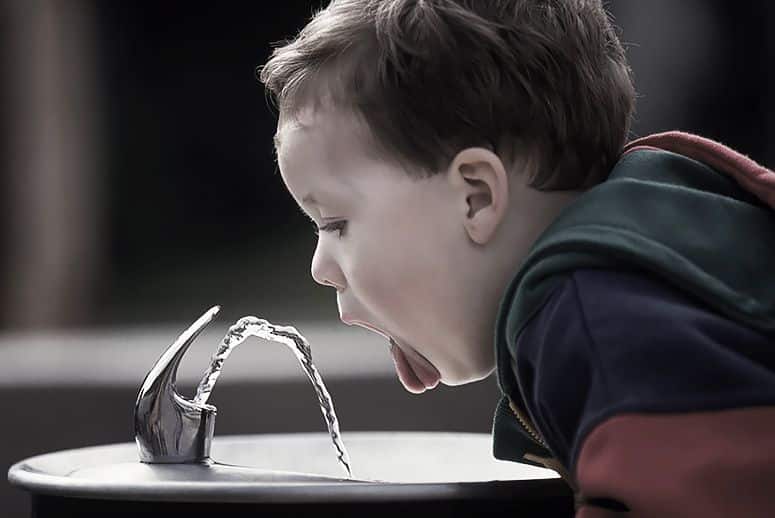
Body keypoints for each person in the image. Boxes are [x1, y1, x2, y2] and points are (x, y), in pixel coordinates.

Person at [258, 1, 775, 515]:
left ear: (476, 197)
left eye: (335, 224)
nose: (319, 268)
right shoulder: (656, 253)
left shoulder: (600, 319)